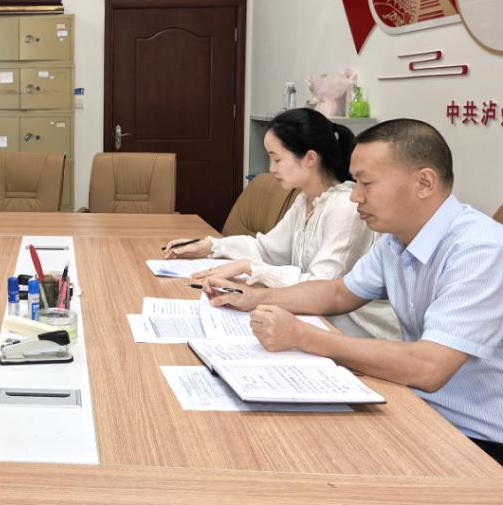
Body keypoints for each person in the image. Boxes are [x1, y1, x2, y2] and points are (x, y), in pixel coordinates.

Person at [203, 119, 503, 465]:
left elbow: (429, 367)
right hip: (415, 406)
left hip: (477, 438)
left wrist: (302, 336)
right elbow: (338, 293)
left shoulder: (480, 250)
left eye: (366, 183)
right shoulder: (395, 240)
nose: (355, 195)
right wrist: (256, 298)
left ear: (424, 183)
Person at [162, 108, 398, 339]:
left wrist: (251, 268)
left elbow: (321, 285)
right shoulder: (305, 200)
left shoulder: (345, 207)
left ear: (310, 158)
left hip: (348, 333)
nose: (271, 169)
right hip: (310, 319)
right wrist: (209, 246)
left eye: (277, 159)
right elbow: (267, 249)